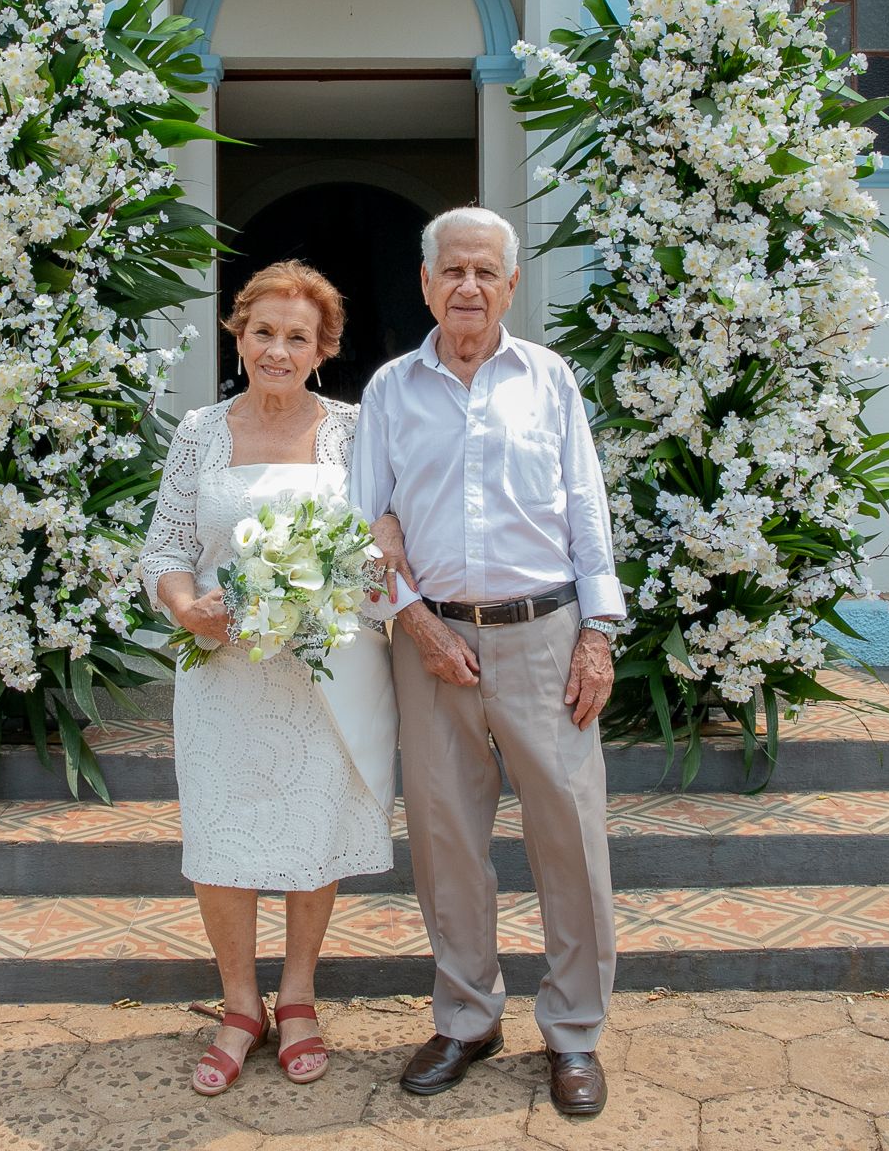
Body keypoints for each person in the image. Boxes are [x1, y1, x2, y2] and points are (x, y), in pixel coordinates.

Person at [351, 205, 625, 1118]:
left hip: (546, 633)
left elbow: (587, 514)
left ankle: (575, 1031)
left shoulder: (550, 381)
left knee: (571, 836)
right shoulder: (390, 390)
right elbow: (365, 531)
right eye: (451, 272)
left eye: (486, 273)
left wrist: (598, 632)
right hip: (431, 643)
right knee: (445, 839)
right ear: (426, 284)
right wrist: (416, 623)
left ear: (511, 286)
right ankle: (468, 1018)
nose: (468, 287)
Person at [141, 260, 399, 1096]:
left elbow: (382, 545)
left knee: (310, 825)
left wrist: (344, 582)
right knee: (221, 833)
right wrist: (186, 609)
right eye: (263, 333)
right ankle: (239, 1005)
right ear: (238, 334)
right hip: (223, 671)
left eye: (299, 337)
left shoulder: (355, 432)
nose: (278, 351)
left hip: (323, 671)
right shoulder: (199, 433)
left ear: (324, 348)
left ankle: (297, 998)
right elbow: (167, 550)